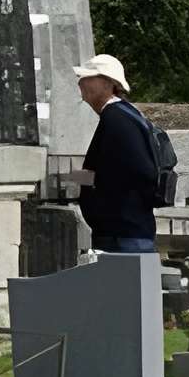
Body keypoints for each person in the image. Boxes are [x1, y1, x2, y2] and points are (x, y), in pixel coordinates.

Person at [74, 53, 161, 255]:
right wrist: (68, 178)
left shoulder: (117, 119)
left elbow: (141, 172)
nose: (81, 83)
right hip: (125, 232)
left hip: (124, 235)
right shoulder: (121, 115)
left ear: (108, 83)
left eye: (88, 78)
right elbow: (104, 167)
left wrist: (83, 183)